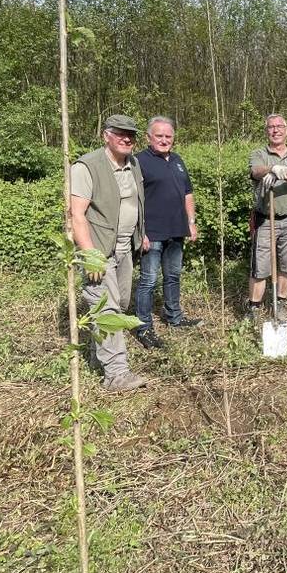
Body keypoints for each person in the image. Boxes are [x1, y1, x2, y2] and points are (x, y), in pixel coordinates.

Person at [70, 114, 148, 392]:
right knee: (107, 309)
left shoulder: (134, 163)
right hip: (99, 250)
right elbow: (77, 215)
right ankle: (116, 375)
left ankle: (98, 356)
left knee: (121, 302)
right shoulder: (86, 166)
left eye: (131, 134)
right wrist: (90, 255)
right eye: (120, 133)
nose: (127, 139)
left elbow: (134, 203)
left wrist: (142, 232)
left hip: (125, 248)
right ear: (106, 135)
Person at [133, 116, 199, 347]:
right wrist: (140, 232)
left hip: (176, 231)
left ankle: (174, 317)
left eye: (168, 136)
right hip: (152, 233)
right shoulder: (138, 161)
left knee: (173, 277)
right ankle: (143, 327)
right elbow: (133, 200)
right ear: (148, 137)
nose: (164, 140)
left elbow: (187, 194)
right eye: (159, 136)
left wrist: (191, 222)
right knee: (148, 281)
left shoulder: (178, 160)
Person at [246, 114, 287, 323]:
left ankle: (279, 303)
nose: (276, 130)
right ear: (266, 131)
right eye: (271, 127)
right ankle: (254, 307)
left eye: (280, 126)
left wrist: (283, 173)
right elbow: (255, 171)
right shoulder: (259, 153)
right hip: (265, 219)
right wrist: (271, 168)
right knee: (260, 265)